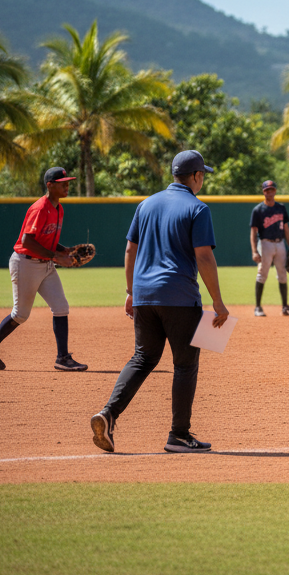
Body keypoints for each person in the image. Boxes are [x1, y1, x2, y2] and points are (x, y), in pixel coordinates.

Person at [90, 150, 230, 454]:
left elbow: (130, 251)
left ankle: (108, 413)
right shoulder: (198, 208)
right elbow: (204, 255)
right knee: (185, 365)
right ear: (194, 176)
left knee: (143, 358)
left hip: (143, 296)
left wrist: (130, 292)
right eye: (202, 174)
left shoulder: (146, 204)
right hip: (179, 296)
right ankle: (179, 435)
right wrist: (218, 302)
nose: (202, 178)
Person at [0, 166, 87, 372]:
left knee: (61, 307)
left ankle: (63, 358)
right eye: (63, 183)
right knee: (20, 314)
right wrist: (56, 257)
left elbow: (48, 240)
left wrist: (67, 250)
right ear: (50, 185)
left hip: (45, 264)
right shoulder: (39, 208)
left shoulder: (58, 208)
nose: (67, 186)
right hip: (25, 263)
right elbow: (28, 241)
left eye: (68, 182)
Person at [249, 179, 289, 317]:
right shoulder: (258, 210)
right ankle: (257, 307)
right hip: (265, 244)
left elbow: (286, 228)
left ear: (275, 191)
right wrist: (254, 251)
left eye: (271, 189)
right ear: (263, 192)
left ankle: (285, 307)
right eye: (267, 190)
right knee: (262, 274)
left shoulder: (281, 208)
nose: (269, 192)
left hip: (280, 243)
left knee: (282, 275)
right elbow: (253, 232)